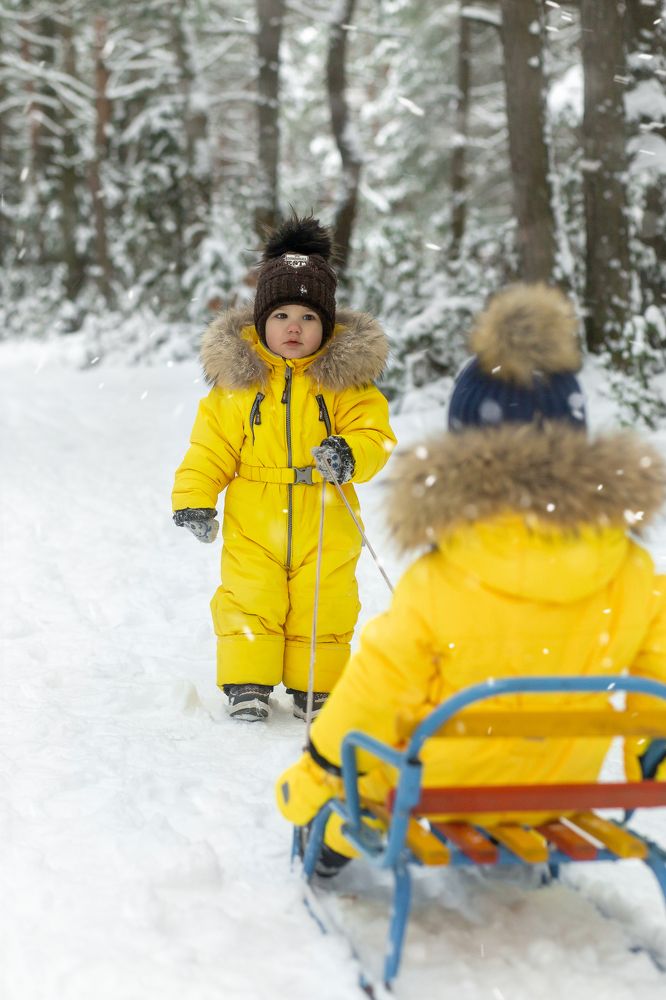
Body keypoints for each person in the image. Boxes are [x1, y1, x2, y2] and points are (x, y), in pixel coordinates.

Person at [276, 282, 666, 874]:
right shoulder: (631, 573)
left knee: (365, 767)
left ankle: (333, 835)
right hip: (558, 784)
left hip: (446, 785)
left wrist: (311, 777)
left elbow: (374, 691)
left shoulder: (443, 578)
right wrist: (654, 757)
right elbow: (656, 675)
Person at [172, 215, 396, 722]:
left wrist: (349, 453)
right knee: (250, 596)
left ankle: (317, 685)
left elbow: (375, 434)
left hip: (326, 514)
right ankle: (247, 682)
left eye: (308, 317)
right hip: (255, 515)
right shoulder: (239, 384)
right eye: (281, 315)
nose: (294, 327)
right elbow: (209, 449)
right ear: (260, 321)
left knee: (326, 601)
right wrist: (193, 499)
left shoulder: (345, 383)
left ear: (328, 325)